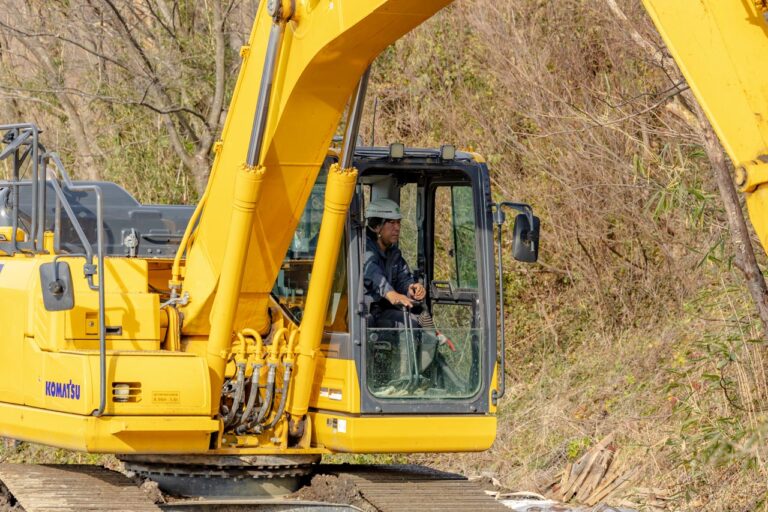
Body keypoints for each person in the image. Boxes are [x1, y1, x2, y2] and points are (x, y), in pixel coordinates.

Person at [363, 198, 426, 328]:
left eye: (398, 222)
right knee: (407, 324)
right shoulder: (363, 249)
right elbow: (373, 274)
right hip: (364, 312)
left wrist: (412, 288)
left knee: (417, 320)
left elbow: (403, 278)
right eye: (391, 223)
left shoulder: (393, 253)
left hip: (383, 310)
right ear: (376, 227)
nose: (397, 228)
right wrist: (389, 292)